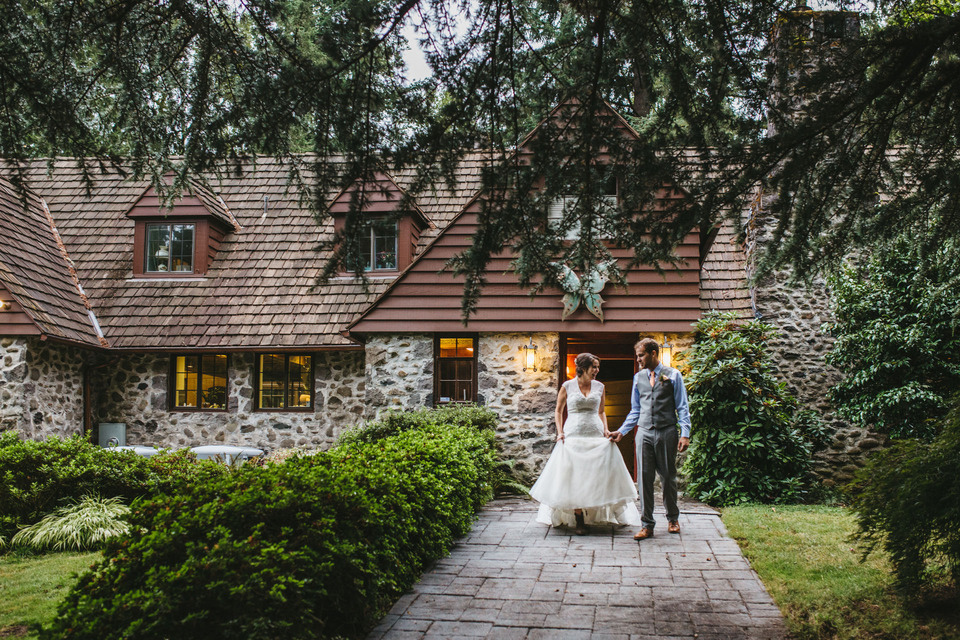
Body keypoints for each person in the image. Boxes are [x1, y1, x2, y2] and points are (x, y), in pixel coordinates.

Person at [529, 353, 641, 535]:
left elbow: (601, 411)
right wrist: (560, 433)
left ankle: (597, 510)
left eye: (598, 367)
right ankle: (579, 517)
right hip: (573, 434)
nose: (597, 371)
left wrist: (605, 429)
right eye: (594, 367)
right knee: (575, 475)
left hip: (595, 434)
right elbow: (558, 411)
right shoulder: (567, 386)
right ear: (583, 368)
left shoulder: (600, 387)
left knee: (595, 473)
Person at [610, 338, 691, 540]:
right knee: (644, 480)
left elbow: (682, 407)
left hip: (667, 431)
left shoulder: (673, 375)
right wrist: (622, 431)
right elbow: (635, 410)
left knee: (668, 477)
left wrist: (685, 433)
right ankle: (647, 524)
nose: (638, 360)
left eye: (641, 355)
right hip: (644, 433)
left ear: (653, 353)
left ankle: (673, 518)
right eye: (637, 356)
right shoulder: (638, 378)